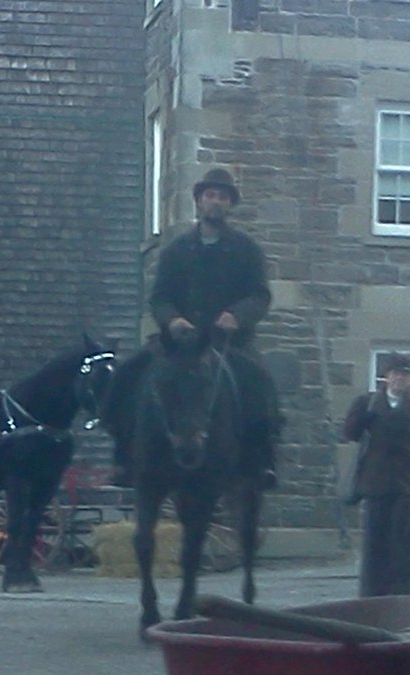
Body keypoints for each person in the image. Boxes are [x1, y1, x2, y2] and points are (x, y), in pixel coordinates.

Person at [101, 167, 280, 488]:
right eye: (210, 195)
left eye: (222, 197)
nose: (216, 202)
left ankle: (261, 461)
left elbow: (260, 295)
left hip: (229, 343)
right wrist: (172, 320)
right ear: (198, 201)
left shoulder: (246, 250)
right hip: (179, 343)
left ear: (230, 205)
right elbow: (159, 298)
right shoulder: (175, 250)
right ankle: (124, 457)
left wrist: (237, 316)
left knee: (261, 384)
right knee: (128, 374)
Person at [342, 353, 410, 597]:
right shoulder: (367, 403)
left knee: (404, 546)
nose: (400, 379)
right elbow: (349, 433)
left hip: (407, 486)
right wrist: (364, 419)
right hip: (375, 484)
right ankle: (371, 597)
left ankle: (403, 596)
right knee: (375, 545)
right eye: (396, 374)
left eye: (406, 375)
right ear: (386, 377)